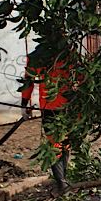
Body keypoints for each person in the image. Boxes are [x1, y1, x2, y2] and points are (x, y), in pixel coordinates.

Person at [20, 55, 74, 193]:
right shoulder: (69, 53)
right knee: (63, 142)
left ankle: (61, 181)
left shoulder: (36, 56)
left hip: (52, 107)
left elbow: (28, 81)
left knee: (55, 144)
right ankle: (62, 180)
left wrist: (24, 103)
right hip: (68, 106)